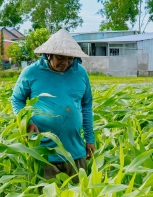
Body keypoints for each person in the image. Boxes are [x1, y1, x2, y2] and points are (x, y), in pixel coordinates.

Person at [10, 29, 94, 180]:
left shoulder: (80, 73)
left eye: (70, 59)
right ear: (48, 54)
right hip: (44, 155)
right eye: (61, 58)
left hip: (75, 152)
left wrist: (90, 138)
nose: (66, 63)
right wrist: (26, 122)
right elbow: (16, 100)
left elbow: (86, 106)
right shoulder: (31, 72)